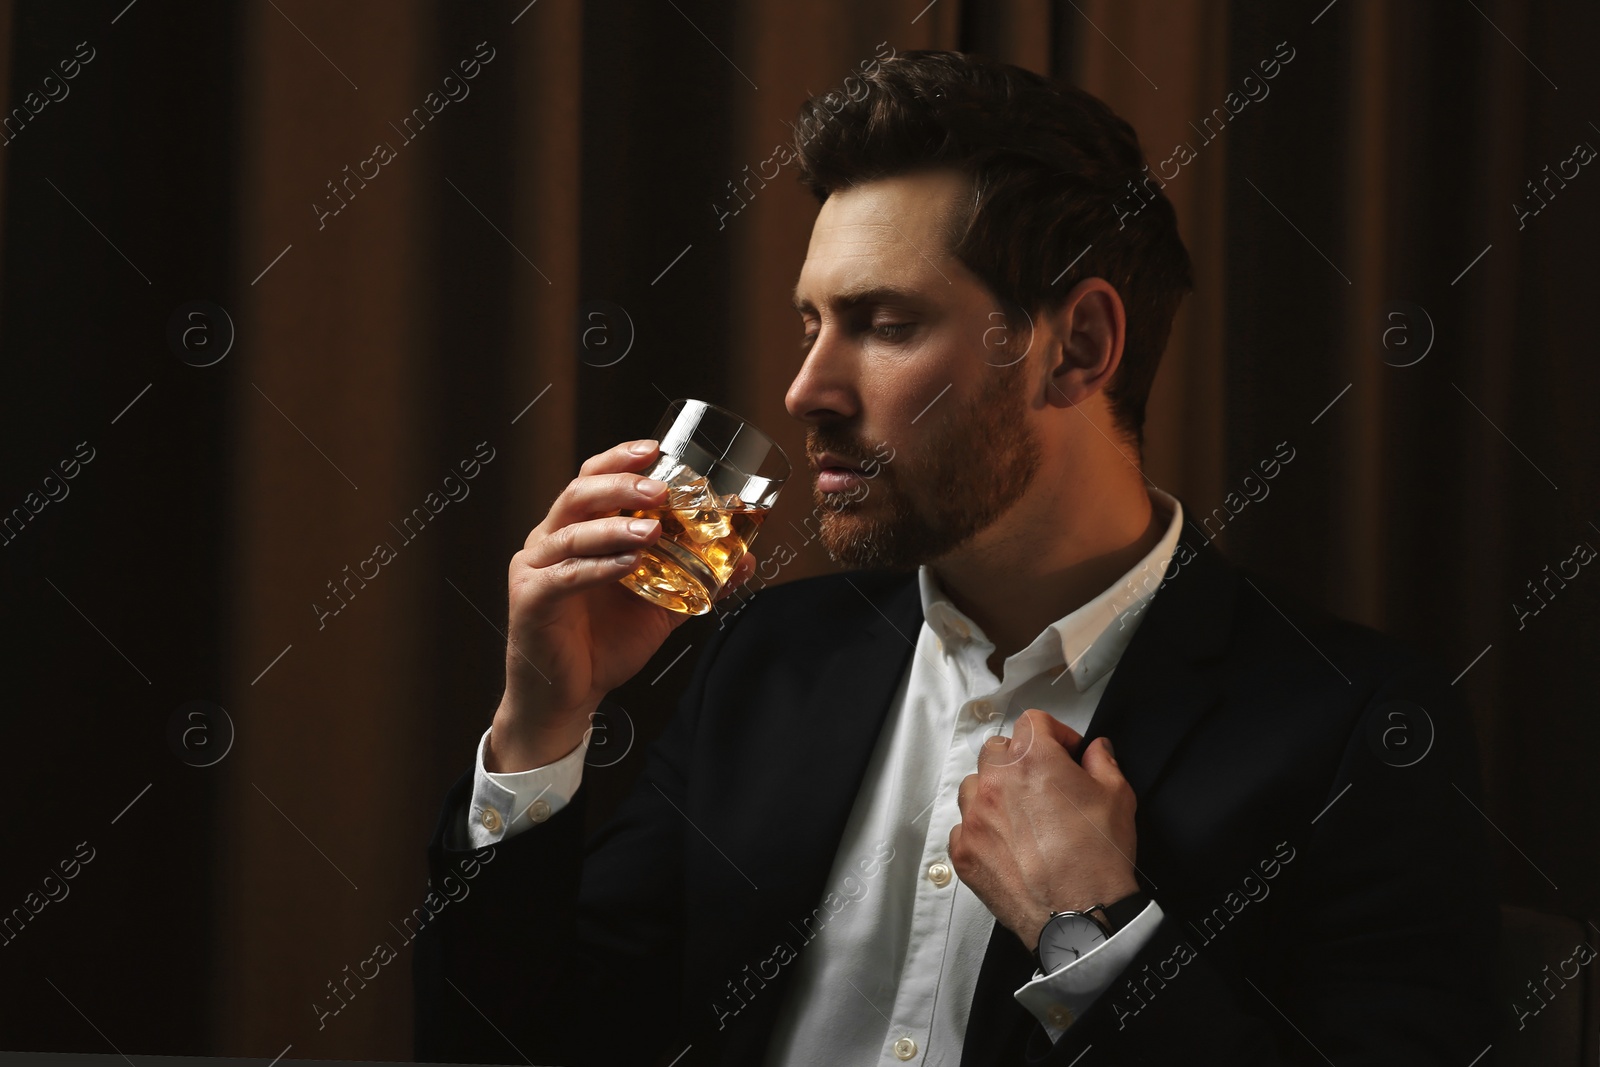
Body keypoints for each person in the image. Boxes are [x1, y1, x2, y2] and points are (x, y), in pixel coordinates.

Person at [413, 50, 1497, 1066]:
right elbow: (521, 1045)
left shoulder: (1357, 725)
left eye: (881, 322)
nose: (807, 391)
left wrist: (1095, 938)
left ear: (1075, 347)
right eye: (809, 325)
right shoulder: (765, 659)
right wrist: (539, 728)